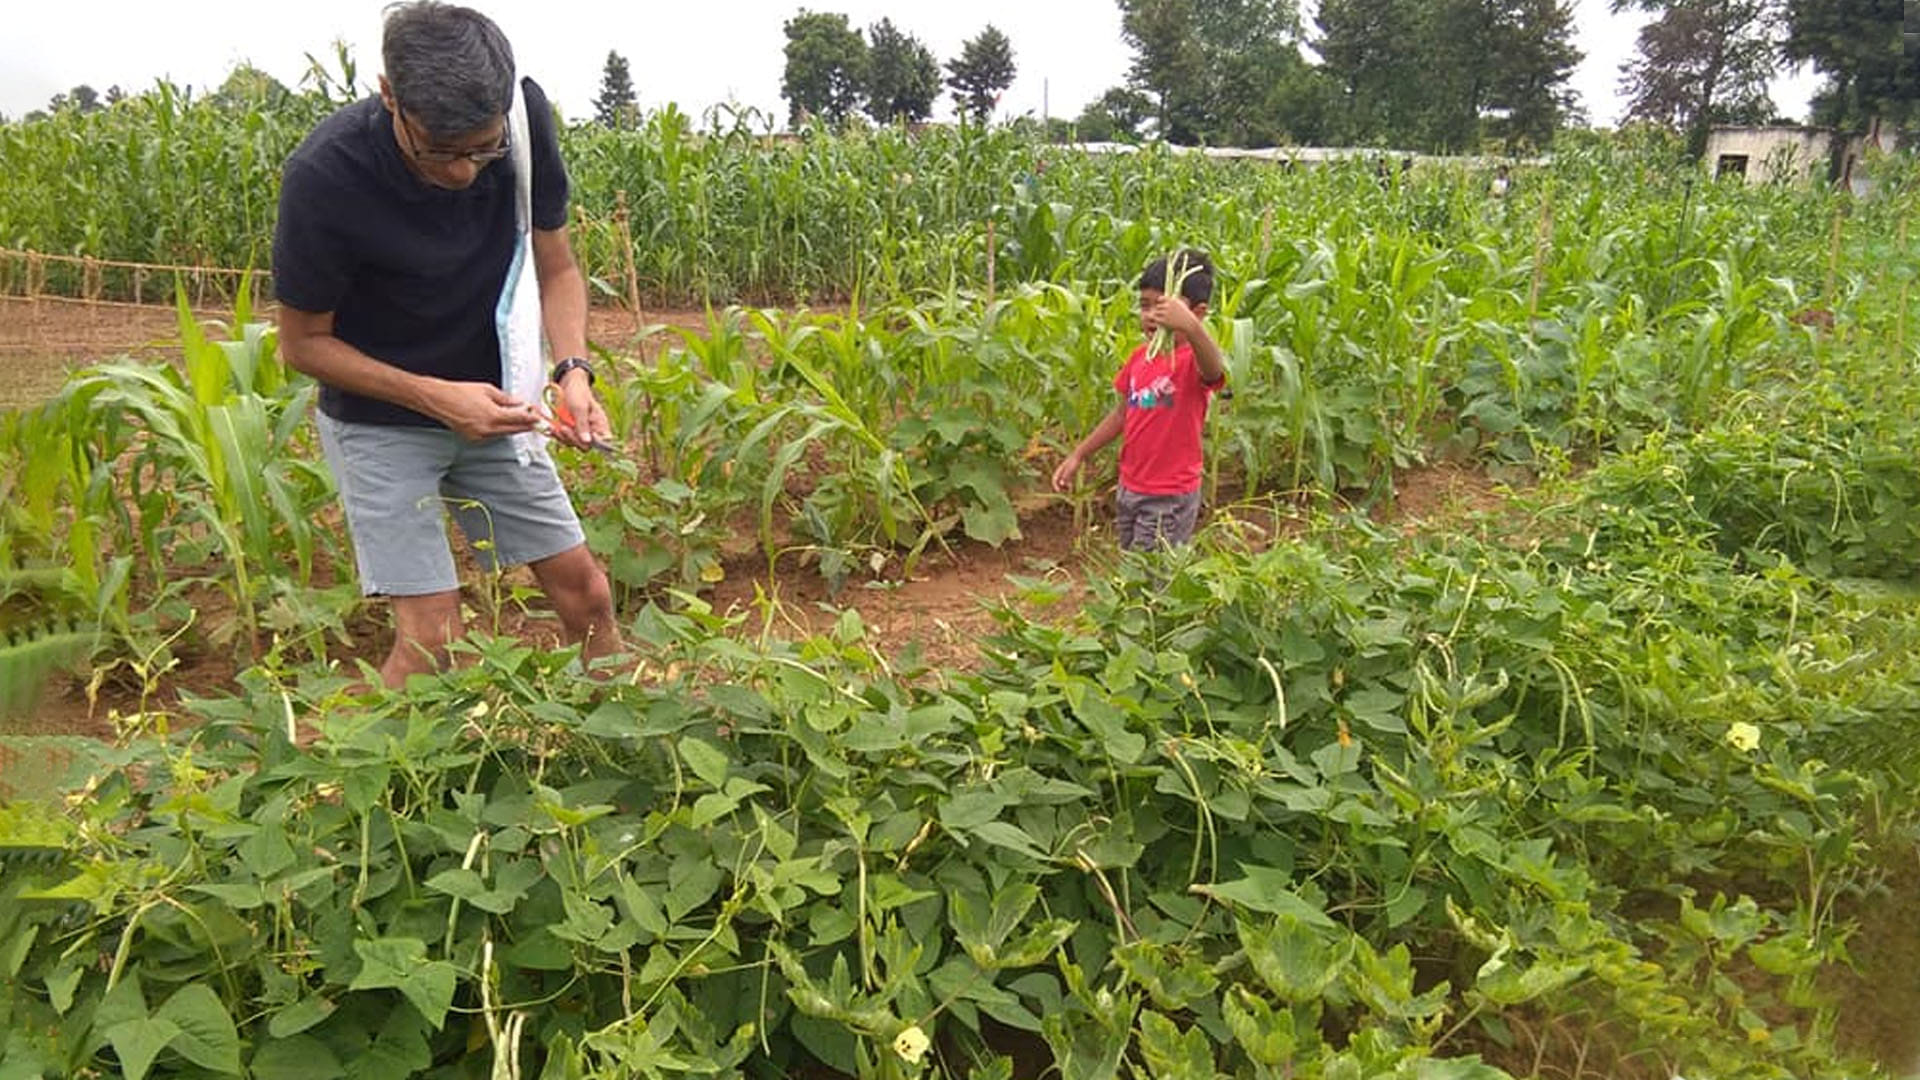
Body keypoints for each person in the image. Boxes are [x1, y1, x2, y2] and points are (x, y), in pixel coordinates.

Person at [272, 1, 622, 688]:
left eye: (481, 149)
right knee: (435, 643)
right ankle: (330, 778)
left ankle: (622, 741)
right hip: (382, 420)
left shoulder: (521, 122)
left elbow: (558, 267)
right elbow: (303, 344)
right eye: (439, 150)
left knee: (588, 598)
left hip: (496, 411)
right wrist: (435, 397)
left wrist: (573, 373)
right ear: (388, 97)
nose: (465, 171)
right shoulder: (326, 176)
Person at [1051, 250, 1228, 551]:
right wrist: (1079, 454)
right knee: (1135, 569)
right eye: (1144, 306)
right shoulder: (1140, 359)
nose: (1150, 315)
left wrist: (1192, 329)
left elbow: (1214, 370)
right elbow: (1122, 414)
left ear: (1196, 313)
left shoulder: (1190, 362)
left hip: (1169, 495)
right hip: (1131, 487)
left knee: (1151, 576)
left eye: (1162, 307)